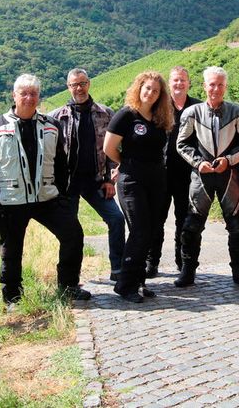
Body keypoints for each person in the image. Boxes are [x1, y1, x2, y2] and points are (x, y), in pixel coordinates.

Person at [0, 74, 91, 308]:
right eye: (24, 93)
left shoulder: (51, 125)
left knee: (73, 235)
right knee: (11, 249)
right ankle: (13, 298)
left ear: (39, 96)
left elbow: (61, 163)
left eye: (34, 93)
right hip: (10, 200)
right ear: (14, 95)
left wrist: (63, 195)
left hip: (46, 197)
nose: (29, 98)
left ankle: (68, 287)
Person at [175, 66, 239, 288]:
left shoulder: (237, 112)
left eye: (220, 85)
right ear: (204, 86)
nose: (215, 89)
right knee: (191, 224)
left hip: (228, 174)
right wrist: (200, 163)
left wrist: (228, 160)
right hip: (202, 174)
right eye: (211, 84)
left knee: (238, 225)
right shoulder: (192, 112)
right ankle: (188, 271)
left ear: (225, 87)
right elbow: (181, 144)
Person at [49, 68, 126, 281]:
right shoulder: (55, 118)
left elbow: (113, 149)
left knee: (117, 219)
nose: (79, 88)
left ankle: (118, 269)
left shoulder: (105, 113)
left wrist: (110, 180)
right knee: (70, 232)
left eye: (82, 83)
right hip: (68, 185)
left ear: (89, 83)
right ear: (68, 87)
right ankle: (70, 279)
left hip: (96, 182)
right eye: (74, 84)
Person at [104, 71, 174, 303]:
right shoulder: (126, 115)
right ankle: (125, 285)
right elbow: (109, 148)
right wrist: (126, 164)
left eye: (155, 90)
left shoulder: (159, 117)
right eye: (147, 88)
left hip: (156, 179)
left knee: (151, 230)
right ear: (139, 88)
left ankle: (139, 281)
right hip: (132, 180)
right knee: (140, 230)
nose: (150, 93)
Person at [145, 66, 201, 277]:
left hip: (187, 173)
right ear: (170, 83)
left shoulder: (197, 106)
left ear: (189, 83)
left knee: (184, 220)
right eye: (175, 80)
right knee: (156, 220)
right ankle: (152, 262)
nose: (179, 84)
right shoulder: (159, 105)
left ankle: (183, 262)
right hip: (160, 171)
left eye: (183, 80)